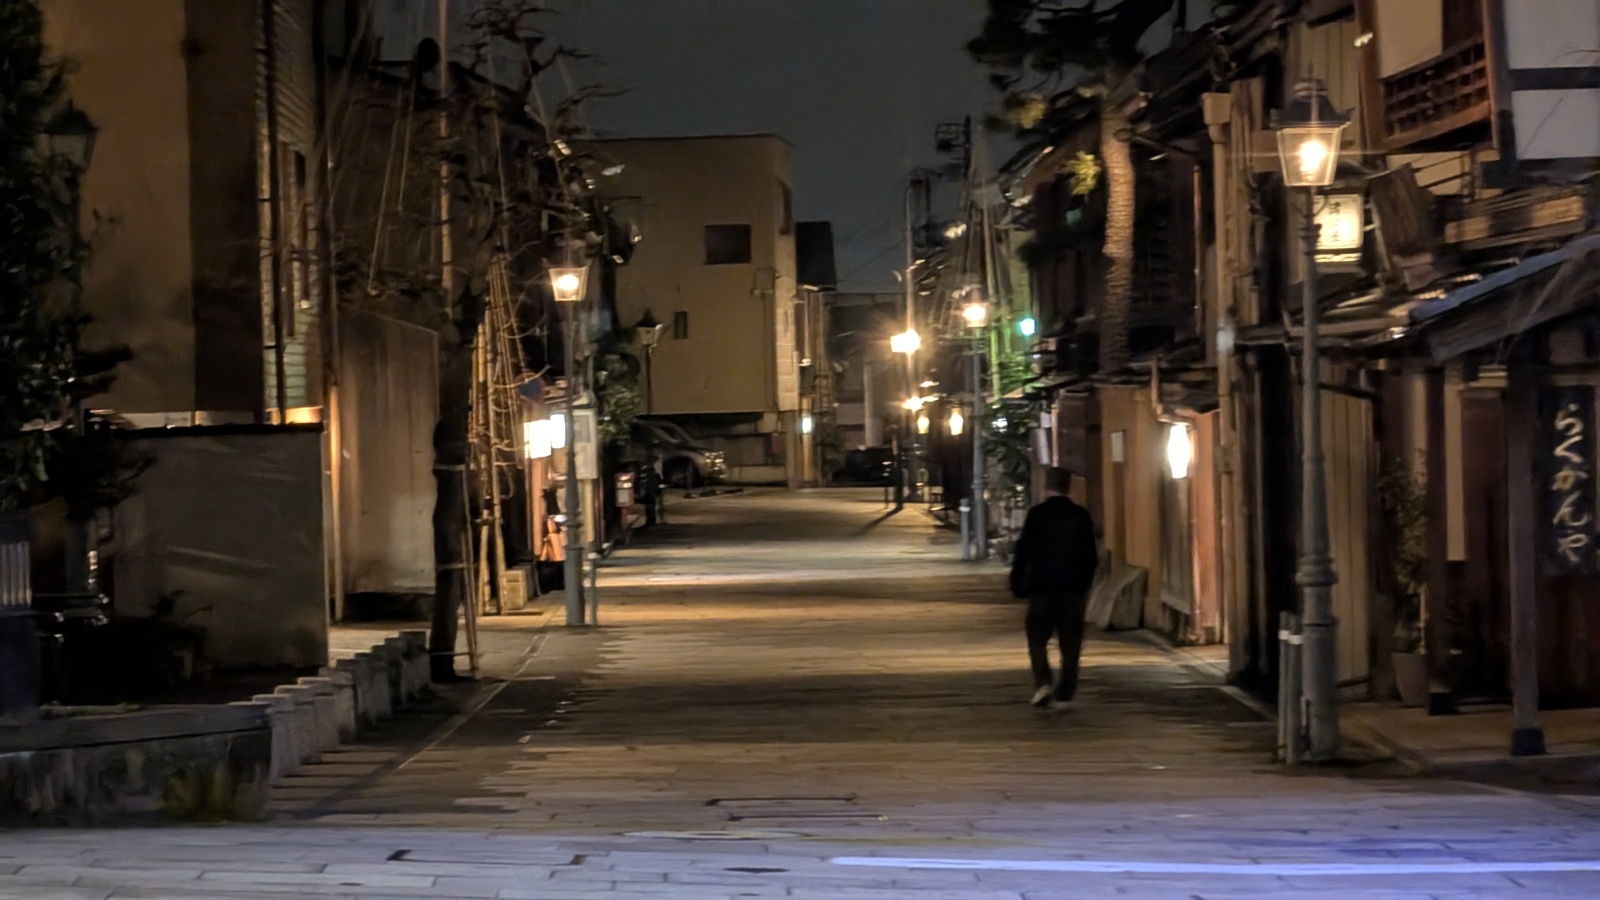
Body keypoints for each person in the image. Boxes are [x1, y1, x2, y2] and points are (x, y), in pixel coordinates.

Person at [1009, 466, 1099, 709]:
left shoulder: (1037, 515)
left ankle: (1043, 681)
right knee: (1071, 643)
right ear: (1068, 486)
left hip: (1042, 588)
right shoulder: (1080, 515)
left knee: (1037, 639)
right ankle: (1066, 692)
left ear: (1046, 485)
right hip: (1073, 590)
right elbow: (1091, 555)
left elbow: (1023, 551)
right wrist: (1085, 583)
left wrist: (1017, 582)